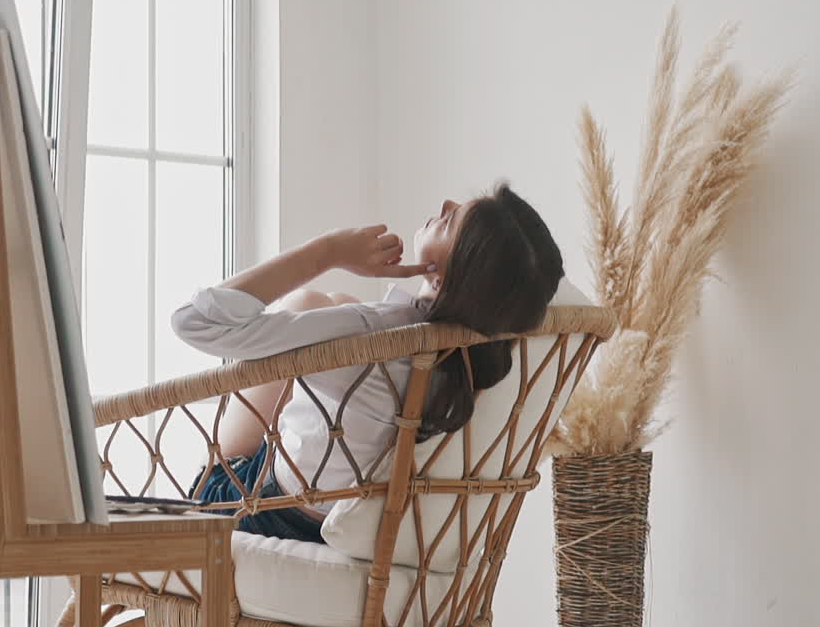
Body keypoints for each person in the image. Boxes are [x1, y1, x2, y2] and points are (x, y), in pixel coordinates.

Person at [171, 183, 565, 542]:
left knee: (307, 302)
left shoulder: (370, 336)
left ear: (446, 279)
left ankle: (210, 482)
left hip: (250, 509)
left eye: (449, 222)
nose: (444, 203)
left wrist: (329, 252)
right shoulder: (471, 354)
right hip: (343, 519)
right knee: (338, 300)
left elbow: (194, 321)